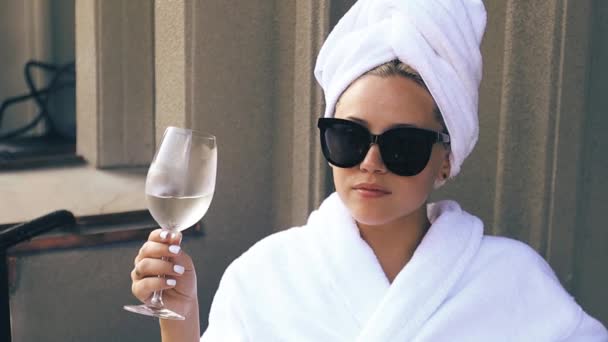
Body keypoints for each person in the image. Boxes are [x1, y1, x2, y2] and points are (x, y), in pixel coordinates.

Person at [130, 0, 608, 341]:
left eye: (403, 146)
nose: (370, 163)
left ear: (446, 158)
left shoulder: (513, 281)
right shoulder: (264, 276)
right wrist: (181, 319)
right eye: (350, 137)